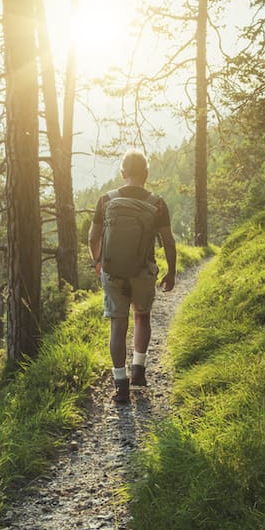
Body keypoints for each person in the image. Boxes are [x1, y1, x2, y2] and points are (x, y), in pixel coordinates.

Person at [88, 150, 176, 404]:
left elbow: (93, 237)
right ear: (146, 174)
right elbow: (168, 241)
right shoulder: (157, 203)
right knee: (142, 316)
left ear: (122, 173)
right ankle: (138, 369)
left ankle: (121, 385)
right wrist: (171, 271)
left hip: (112, 270)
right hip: (143, 270)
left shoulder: (106, 200)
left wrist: (99, 262)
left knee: (118, 325)